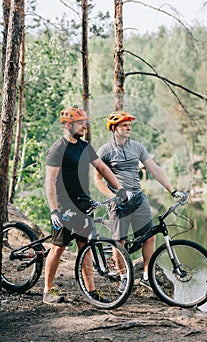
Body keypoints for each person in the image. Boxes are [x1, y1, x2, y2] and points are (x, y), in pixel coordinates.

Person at [43, 106, 125, 305]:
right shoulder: (57, 149)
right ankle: (47, 291)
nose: (84, 126)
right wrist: (54, 210)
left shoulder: (84, 146)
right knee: (57, 248)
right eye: (80, 123)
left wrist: (119, 189)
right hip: (64, 207)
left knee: (86, 248)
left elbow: (102, 168)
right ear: (68, 125)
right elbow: (50, 181)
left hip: (83, 205)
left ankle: (91, 292)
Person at [94, 111, 183, 291]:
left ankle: (146, 276)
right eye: (124, 125)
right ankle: (124, 277)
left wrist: (172, 190)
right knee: (120, 242)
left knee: (149, 237)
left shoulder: (137, 147)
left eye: (129, 125)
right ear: (114, 128)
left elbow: (155, 169)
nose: (129, 128)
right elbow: (98, 180)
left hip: (138, 199)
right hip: (118, 203)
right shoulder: (105, 151)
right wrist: (112, 196)